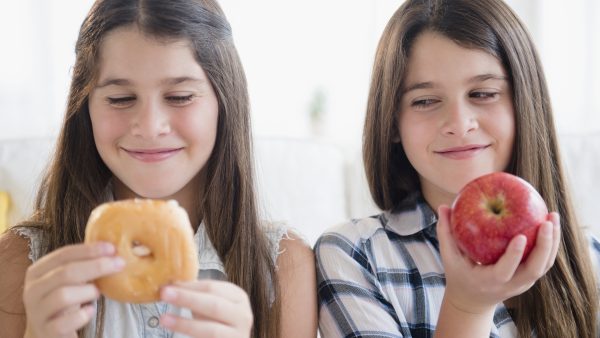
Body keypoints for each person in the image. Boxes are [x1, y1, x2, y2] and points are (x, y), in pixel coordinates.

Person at [0, 0, 318, 337]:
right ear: (85, 107)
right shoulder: (22, 262)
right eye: (120, 99)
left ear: (224, 102)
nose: (150, 127)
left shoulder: (285, 266)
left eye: (180, 96)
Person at [315, 0, 599, 337]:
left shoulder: (589, 259)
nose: (459, 124)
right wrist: (468, 307)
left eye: (483, 93)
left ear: (525, 105)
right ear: (391, 122)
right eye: (424, 101)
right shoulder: (356, 256)